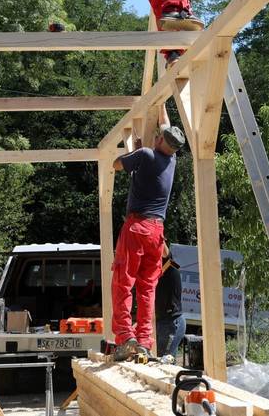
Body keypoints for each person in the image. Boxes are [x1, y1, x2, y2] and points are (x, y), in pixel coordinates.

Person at [111, 105, 186, 361]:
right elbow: (165, 124)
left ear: (159, 140)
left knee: (124, 280)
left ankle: (125, 336)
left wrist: (132, 153)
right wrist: (160, 103)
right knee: (147, 287)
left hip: (137, 227)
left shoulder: (145, 155)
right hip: (157, 232)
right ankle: (143, 340)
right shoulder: (171, 159)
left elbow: (116, 165)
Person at [155, 243, 185, 361]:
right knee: (161, 361)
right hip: (164, 321)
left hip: (171, 322)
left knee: (163, 361)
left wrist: (157, 236)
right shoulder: (159, 272)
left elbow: (165, 253)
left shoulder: (169, 265)